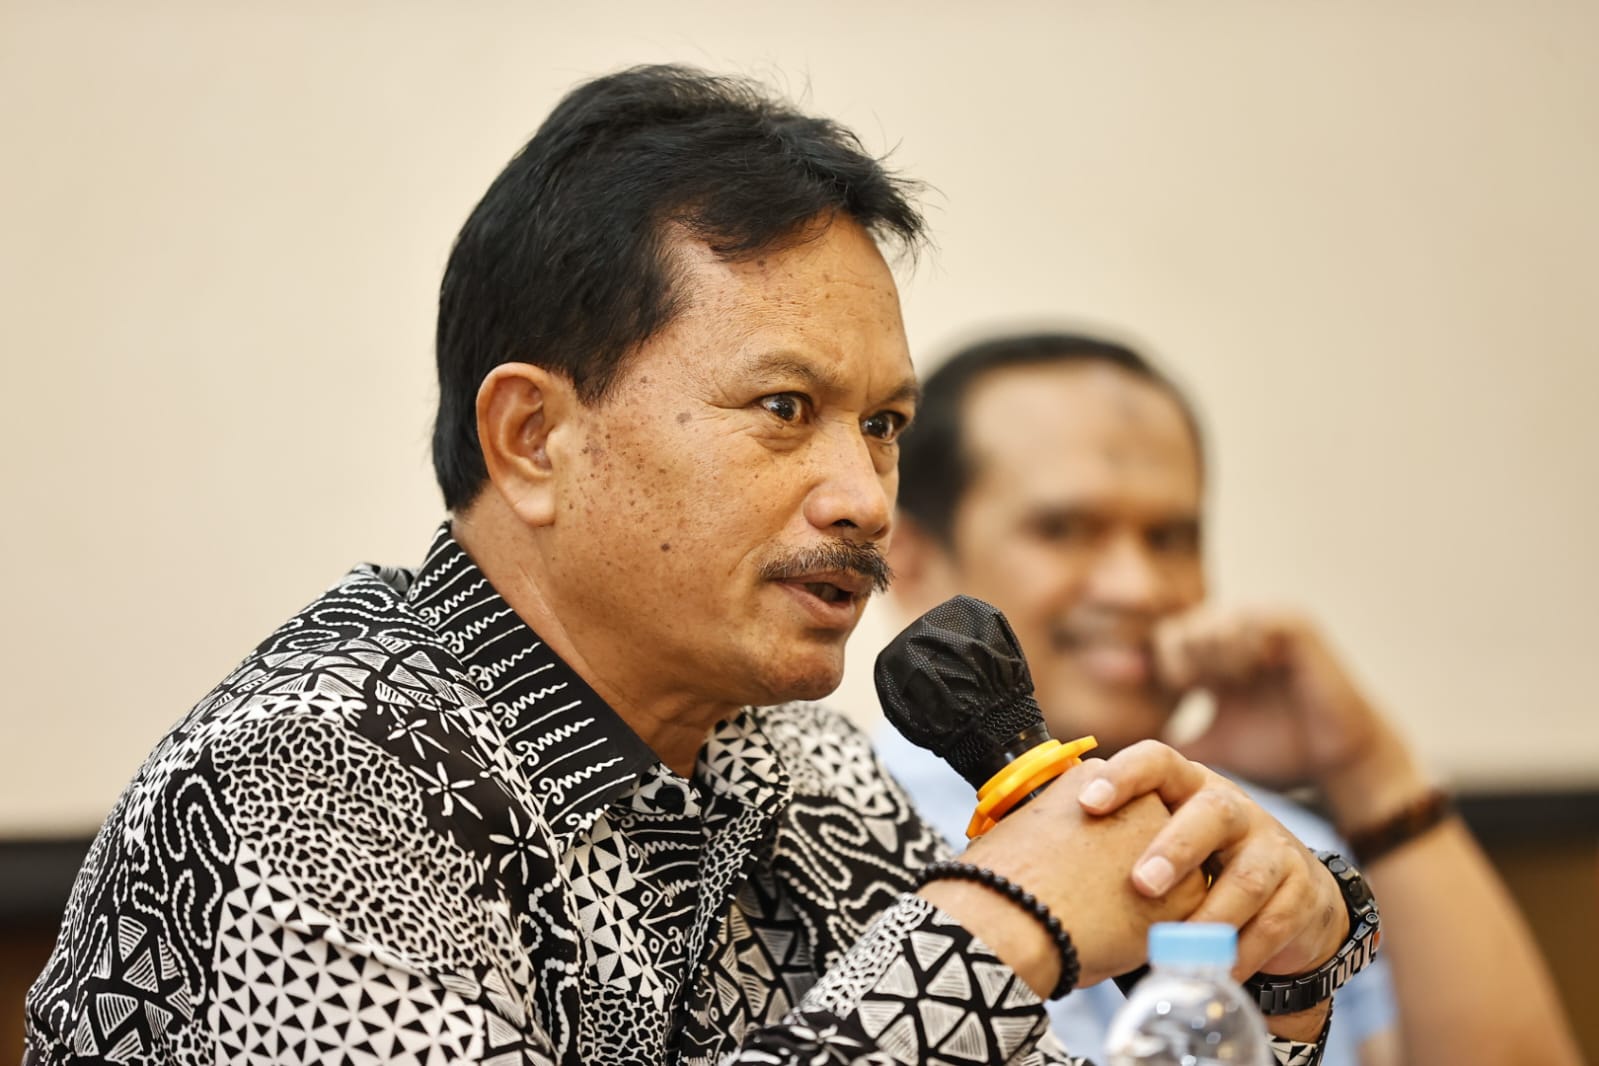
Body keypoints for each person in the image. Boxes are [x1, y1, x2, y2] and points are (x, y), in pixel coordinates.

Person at [27, 68, 1371, 1066]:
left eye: (883, 425)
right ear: (533, 437)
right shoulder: (314, 773)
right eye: (784, 408)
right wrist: (997, 926)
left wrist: (1273, 976)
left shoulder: (800, 770)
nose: (865, 499)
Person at [876, 330, 1583, 1066]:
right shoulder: (848, 835)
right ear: (914, 560)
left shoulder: (1276, 849)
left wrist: (1367, 768)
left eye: (1170, 537)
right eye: (1064, 530)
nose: (1138, 588)